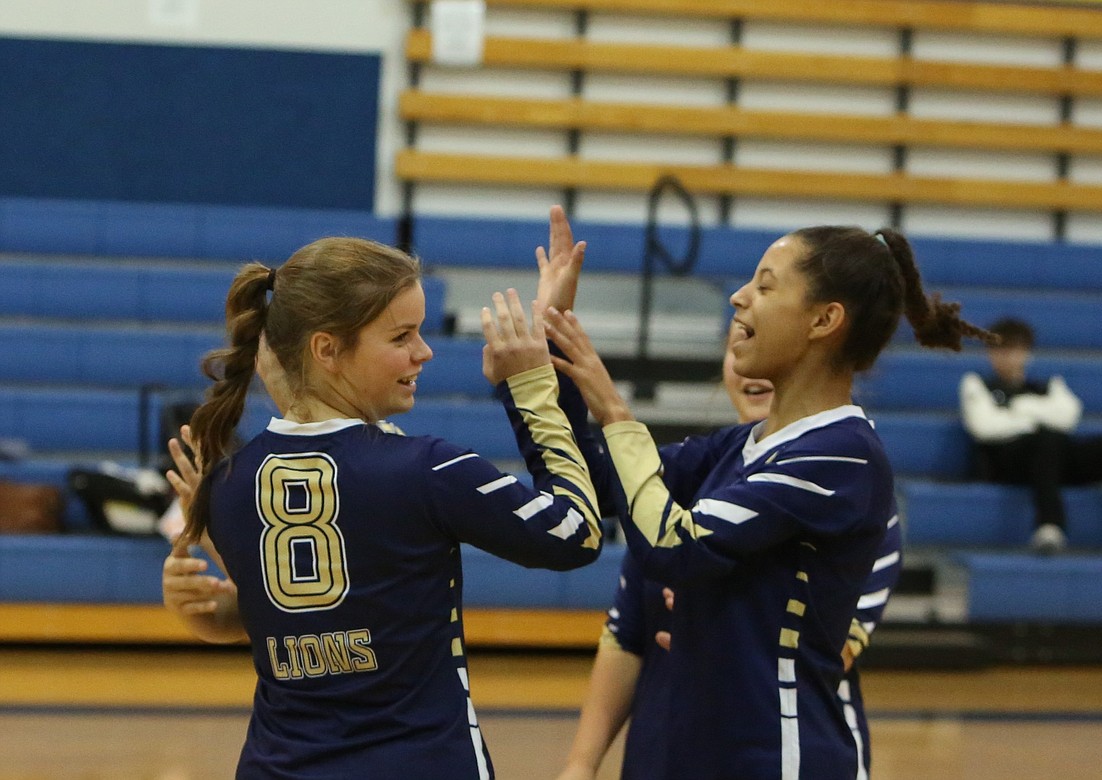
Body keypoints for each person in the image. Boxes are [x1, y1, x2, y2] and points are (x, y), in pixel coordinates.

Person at [161, 219, 607, 779]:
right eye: (401, 337)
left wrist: (206, 612)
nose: (424, 352)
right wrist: (536, 384)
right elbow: (577, 533)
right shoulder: (428, 469)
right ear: (326, 348)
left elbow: (294, 627)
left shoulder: (227, 484)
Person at [544, 226, 994, 779]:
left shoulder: (843, 455)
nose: (739, 298)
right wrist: (545, 357)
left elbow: (674, 545)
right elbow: (588, 481)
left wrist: (613, 409)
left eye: (765, 286)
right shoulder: (737, 446)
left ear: (823, 320)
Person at [556, 325, 904, 780]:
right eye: (734, 341)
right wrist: (581, 764)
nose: (745, 350)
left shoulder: (848, 478)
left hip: (780, 739)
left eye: (757, 332)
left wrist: (714, 627)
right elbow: (626, 636)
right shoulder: (690, 477)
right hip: (673, 741)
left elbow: (826, 649)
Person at [959, 316, 1102, 559]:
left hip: (1055, 461)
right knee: (1046, 439)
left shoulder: (1049, 385)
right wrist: (1040, 417)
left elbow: (1068, 417)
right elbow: (984, 426)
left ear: (1027, 352)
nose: (1007, 356)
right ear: (989, 353)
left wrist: (1021, 409)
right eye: (1000, 349)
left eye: (1014, 349)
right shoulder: (977, 384)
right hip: (1009, 464)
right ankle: (1049, 525)